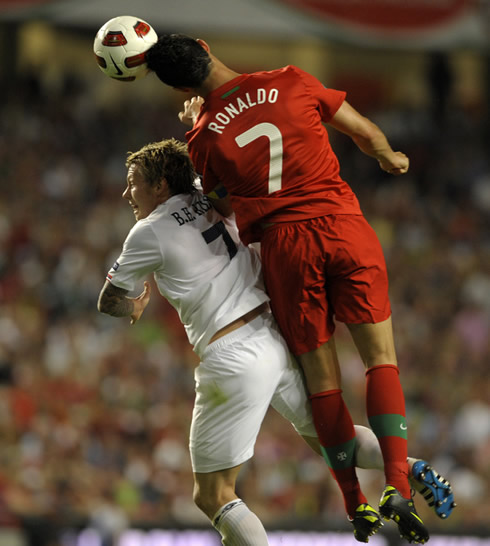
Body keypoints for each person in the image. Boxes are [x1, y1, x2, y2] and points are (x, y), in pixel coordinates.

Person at [144, 35, 452, 544]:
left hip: (287, 249)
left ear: (180, 85)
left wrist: (199, 129)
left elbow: (219, 204)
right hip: (343, 226)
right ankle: (396, 483)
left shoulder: (203, 136)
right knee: (381, 361)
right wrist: (389, 156)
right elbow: (362, 130)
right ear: (206, 47)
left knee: (322, 381)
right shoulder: (291, 80)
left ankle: (355, 501)